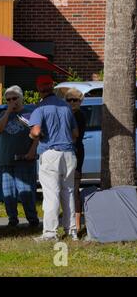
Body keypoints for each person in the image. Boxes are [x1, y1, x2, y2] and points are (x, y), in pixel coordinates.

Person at [29, 75, 79, 241]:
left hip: (51, 153)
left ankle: (50, 233)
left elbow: (36, 132)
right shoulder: (66, 106)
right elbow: (75, 134)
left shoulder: (40, 108)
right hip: (69, 153)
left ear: (39, 89)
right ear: (52, 87)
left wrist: (33, 133)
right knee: (69, 192)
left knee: (52, 194)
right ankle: (72, 230)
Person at [0, 85, 40, 228]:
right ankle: (12, 220)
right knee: (8, 193)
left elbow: (37, 135)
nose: (12, 101)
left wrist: (33, 151)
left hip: (24, 159)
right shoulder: (3, 114)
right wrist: (8, 111)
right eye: (8, 99)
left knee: (26, 192)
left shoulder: (30, 113)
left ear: (21, 98)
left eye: (14, 98)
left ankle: (32, 220)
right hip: (5, 159)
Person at [64, 88, 86, 234]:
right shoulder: (67, 114)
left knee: (75, 189)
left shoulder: (79, 115)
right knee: (66, 188)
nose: (72, 103)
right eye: (69, 100)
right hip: (67, 152)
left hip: (76, 152)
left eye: (75, 100)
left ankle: (77, 225)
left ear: (80, 101)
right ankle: (69, 222)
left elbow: (75, 136)